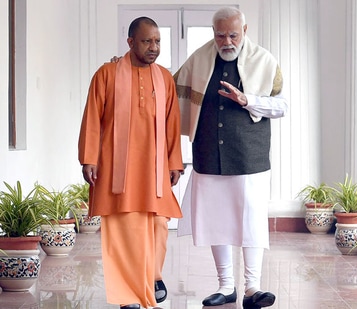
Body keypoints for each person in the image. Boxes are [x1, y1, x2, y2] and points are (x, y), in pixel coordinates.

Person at [175, 6, 288, 309]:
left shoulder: (264, 61)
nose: (227, 41)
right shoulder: (198, 60)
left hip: (249, 156)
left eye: (233, 35)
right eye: (220, 35)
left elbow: (281, 107)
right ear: (214, 33)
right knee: (216, 219)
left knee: (250, 219)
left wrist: (247, 99)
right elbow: (169, 90)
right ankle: (226, 286)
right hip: (208, 154)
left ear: (245, 32)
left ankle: (253, 288)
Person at [78, 16, 183, 309]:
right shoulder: (107, 74)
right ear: (130, 42)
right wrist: (89, 157)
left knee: (159, 224)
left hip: (154, 167)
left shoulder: (164, 78)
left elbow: (172, 123)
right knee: (125, 229)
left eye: (158, 41)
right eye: (147, 41)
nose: (154, 47)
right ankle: (128, 296)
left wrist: (175, 162)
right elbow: (92, 119)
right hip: (116, 168)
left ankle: (152, 276)